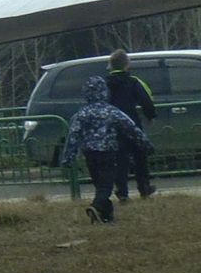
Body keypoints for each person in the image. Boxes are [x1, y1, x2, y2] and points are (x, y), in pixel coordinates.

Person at [60, 75, 150, 222]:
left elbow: (73, 136)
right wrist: (145, 144)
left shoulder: (81, 114)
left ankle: (105, 216)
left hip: (89, 154)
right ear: (104, 92)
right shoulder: (111, 111)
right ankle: (95, 207)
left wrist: (68, 157)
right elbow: (131, 128)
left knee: (99, 184)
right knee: (106, 185)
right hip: (108, 153)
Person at [103, 49, 158, 201]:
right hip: (132, 123)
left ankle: (122, 192)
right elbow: (145, 100)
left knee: (120, 159)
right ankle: (144, 188)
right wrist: (151, 116)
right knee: (140, 155)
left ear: (111, 66)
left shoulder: (105, 83)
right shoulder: (133, 82)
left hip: (113, 125)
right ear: (127, 65)